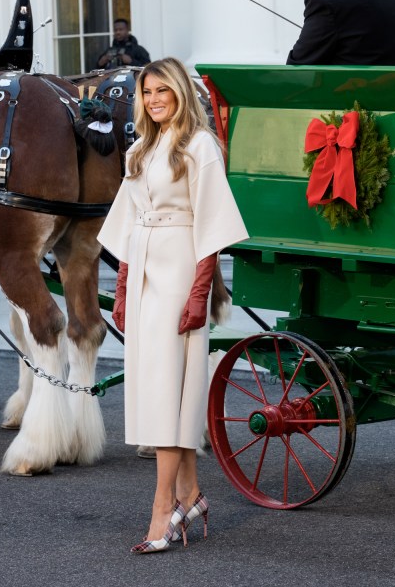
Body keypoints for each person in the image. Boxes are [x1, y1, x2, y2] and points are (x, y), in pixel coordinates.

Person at [97, 58, 248, 554]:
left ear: (181, 92)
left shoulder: (200, 147)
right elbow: (125, 223)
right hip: (141, 267)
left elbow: (212, 229)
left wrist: (200, 291)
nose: (154, 98)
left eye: (163, 90)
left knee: (167, 388)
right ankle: (191, 494)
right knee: (162, 386)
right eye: (147, 92)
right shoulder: (139, 150)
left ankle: (163, 508)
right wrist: (121, 290)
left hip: (180, 266)